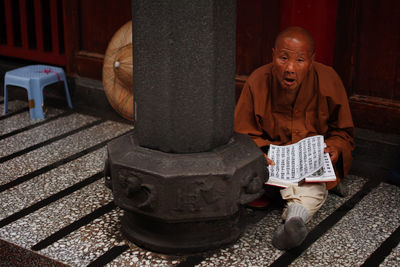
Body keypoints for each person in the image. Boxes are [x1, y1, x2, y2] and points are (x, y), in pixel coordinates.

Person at [234, 26, 354, 250]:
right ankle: (299, 204)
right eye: (283, 58)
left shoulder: (328, 79)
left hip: (310, 163)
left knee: (312, 183)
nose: (290, 68)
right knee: (241, 177)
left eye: (300, 60)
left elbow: (343, 132)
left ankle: (294, 221)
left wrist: (335, 148)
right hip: (273, 164)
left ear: (312, 60)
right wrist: (259, 154)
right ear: (273, 55)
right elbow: (243, 134)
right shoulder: (258, 80)